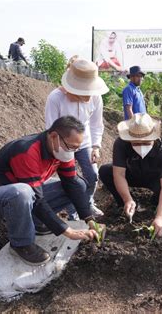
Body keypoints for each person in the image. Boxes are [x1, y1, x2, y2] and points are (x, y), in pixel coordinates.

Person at [0, 116, 99, 265]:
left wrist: (88, 218)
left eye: (76, 148)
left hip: (24, 196)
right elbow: (37, 199)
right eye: (71, 147)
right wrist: (67, 231)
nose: (73, 152)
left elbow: (71, 184)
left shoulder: (61, 151)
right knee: (22, 192)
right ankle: (21, 244)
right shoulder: (26, 151)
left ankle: (37, 222)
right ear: (54, 137)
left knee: (78, 185)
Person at [45, 56, 109, 217]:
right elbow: (51, 129)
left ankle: (87, 204)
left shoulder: (95, 97)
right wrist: (60, 151)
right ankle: (73, 213)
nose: (87, 96)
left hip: (85, 143)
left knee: (93, 176)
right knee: (72, 181)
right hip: (64, 146)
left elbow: (95, 124)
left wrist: (96, 146)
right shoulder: (55, 98)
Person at [99, 113, 162, 238]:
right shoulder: (121, 144)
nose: (141, 147)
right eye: (136, 143)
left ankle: (154, 204)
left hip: (155, 178)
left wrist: (160, 217)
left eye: (146, 143)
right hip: (133, 174)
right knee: (105, 171)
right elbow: (119, 174)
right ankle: (126, 204)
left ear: (154, 137)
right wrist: (127, 199)